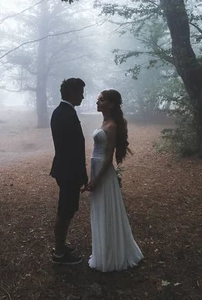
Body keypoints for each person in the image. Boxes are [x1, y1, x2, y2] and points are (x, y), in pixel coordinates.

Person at [85, 89, 143, 272]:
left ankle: (113, 255)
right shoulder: (104, 122)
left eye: (101, 100)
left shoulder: (112, 126)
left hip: (103, 171)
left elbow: (108, 157)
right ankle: (103, 251)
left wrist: (95, 180)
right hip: (96, 168)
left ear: (110, 104)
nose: (97, 102)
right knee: (100, 210)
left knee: (107, 210)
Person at [50, 78, 88, 265]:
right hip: (68, 171)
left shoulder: (63, 111)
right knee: (65, 211)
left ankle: (61, 245)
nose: (82, 96)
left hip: (66, 169)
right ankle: (59, 253)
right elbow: (72, 150)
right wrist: (81, 174)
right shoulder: (64, 114)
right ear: (72, 93)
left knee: (67, 209)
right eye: (80, 92)